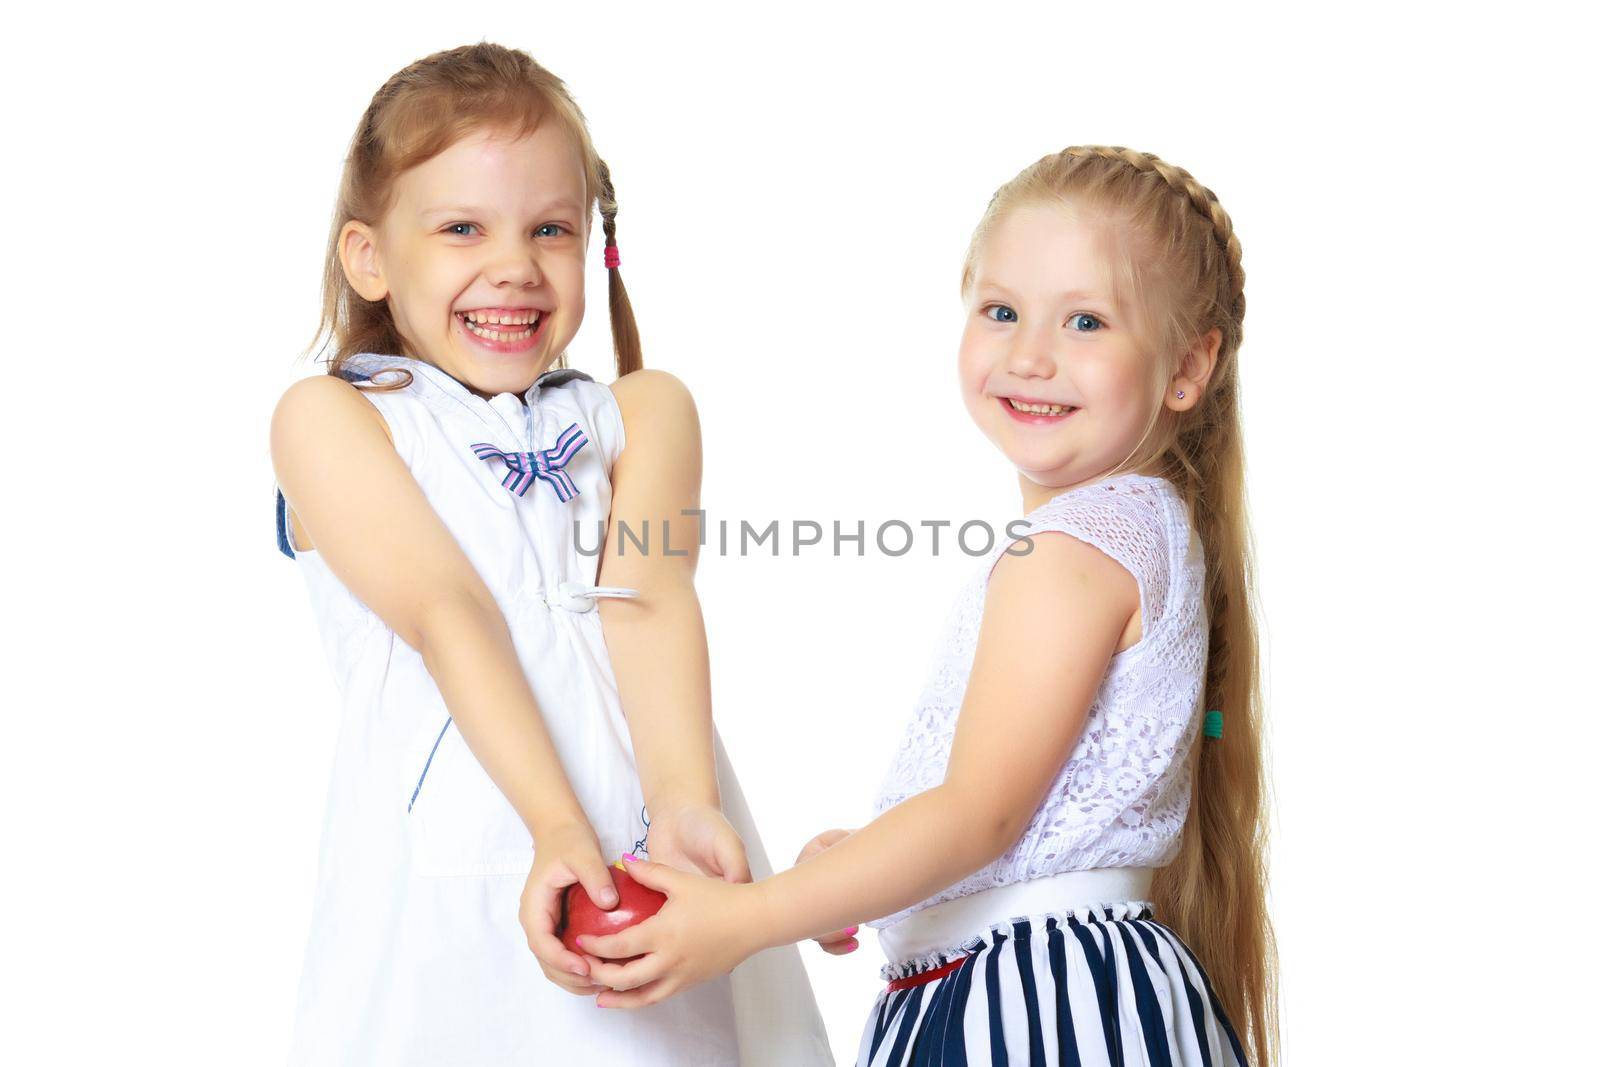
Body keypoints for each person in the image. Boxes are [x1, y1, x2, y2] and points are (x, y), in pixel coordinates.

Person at [574, 146, 1280, 1066]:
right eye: (1000, 311)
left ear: (1188, 366)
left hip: (1032, 1007)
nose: (1030, 354)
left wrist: (746, 920)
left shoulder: (1073, 551)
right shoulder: (1135, 529)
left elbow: (977, 814)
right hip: (1028, 988)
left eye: (1086, 320)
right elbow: (1021, 811)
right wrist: (875, 867)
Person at [269, 42, 831, 1066]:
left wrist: (681, 803)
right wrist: (556, 831)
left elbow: (645, 597)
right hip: (463, 867)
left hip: (643, 843)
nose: (514, 265)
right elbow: (450, 611)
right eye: (460, 229)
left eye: (549, 229)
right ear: (370, 256)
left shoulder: (643, 413)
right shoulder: (334, 419)